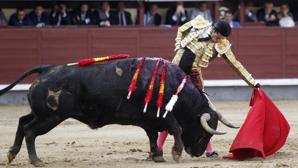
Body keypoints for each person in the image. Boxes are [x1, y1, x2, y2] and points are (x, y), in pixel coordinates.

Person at [157, 15, 260, 158]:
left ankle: (209, 150)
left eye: (221, 37)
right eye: (217, 34)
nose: (217, 38)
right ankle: (157, 149)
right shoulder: (199, 23)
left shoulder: (222, 44)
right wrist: (178, 45)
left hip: (193, 78)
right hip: (174, 72)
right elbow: (181, 29)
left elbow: (236, 65)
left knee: (205, 112)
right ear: (213, 28)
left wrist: (253, 83)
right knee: (168, 109)